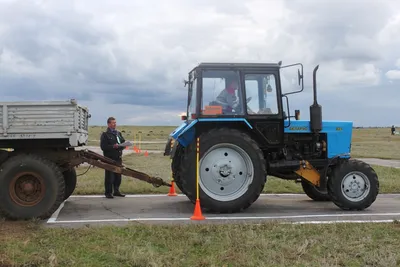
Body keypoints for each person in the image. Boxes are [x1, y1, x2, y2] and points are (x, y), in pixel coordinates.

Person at [100, 116, 126, 198]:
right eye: (113, 123)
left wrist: (122, 146)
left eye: (115, 122)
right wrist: (113, 147)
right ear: (108, 124)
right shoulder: (105, 135)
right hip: (109, 158)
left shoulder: (118, 133)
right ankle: (108, 192)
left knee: (118, 175)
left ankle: (116, 191)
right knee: (109, 176)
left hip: (118, 158)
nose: (115, 124)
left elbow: (123, 142)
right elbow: (103, 147)